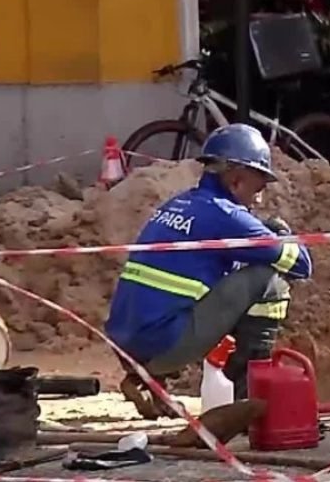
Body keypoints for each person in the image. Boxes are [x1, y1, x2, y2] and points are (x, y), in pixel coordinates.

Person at [104, 124, 313, 419]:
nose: (259, 200)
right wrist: (280, 234)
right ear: (237, 180)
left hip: (124, 343)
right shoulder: (227, 216)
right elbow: (302, 265)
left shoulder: (177, 204)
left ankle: (152, 383)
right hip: (162, 346)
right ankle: (248, 395)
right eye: (258, 188)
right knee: (269, 282)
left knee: (179, 296)